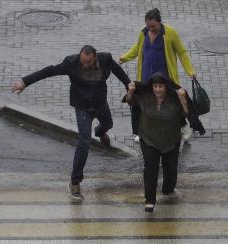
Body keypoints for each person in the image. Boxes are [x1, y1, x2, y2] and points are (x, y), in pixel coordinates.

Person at [11, 45, 131, 200]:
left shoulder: (105, 59)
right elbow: (49, 71)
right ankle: (75, 181)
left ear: (95, 56)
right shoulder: (71, 63)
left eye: (88, 62)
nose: (85, 65)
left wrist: (129, 85)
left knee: (108, 124)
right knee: (84, 141)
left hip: (100, 103)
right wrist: (25, 82)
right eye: (83, 62)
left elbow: (118, 71)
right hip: (82, 107)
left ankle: (100, 132)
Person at [125, 72, 204, 212]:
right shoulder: (145, 96)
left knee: (171, 169)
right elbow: (130, 101)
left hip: (171, 140)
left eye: (160, 87)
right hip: (149, 139)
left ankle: (168, 190)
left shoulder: (174, 98)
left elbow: (187, 115)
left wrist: (183, 100)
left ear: (166, 87)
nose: (157, 90)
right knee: (150, 168)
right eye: (155, 86)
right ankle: (150, 200)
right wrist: (130, 92)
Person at [119, 8, 196, 143]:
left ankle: (184, 127)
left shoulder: (170, 33)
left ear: (160, 23)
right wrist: (124, 58)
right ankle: (141, 131)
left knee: (171, 103)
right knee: (144, 102)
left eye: (153, 26)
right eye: (148, 26)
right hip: (146, 75)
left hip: (165, 77)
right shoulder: (143, 33)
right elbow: (138, 48)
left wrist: (190, 71)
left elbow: (181, 52)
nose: (151, 29)